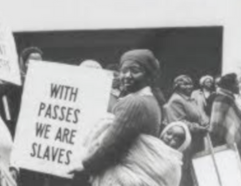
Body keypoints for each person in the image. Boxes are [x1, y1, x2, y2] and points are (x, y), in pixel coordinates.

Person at [70, 49, 165, 186]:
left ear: (148, 75)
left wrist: (86, 166)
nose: (127, 75)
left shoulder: (134, 102)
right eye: (124, 70)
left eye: (135, 70)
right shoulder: (151, 100)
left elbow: (111, 147)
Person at [165, 75, 209, 186]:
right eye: (185, 84)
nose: (189, 86)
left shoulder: (190, 99)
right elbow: (179, 123)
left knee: (196, 170)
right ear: (177, 86)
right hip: (185, 144)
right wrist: (198, 128)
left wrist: (205, 121)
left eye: (190, 84)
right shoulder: (175, 101)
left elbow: (199, 115)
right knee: (185, 173)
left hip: (196, 141)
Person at [0, 46, 44, 136]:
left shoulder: (44, 81)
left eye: (39, 62)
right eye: (31, 62)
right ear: (23, 63)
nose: (36, 65)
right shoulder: (13, 82)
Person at [210, 73, 241, 153]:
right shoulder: (222, 99)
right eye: (237, 83)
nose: (238, 86)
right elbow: (216, 125)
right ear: (230, 85)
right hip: (224, 143)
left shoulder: (230, 99)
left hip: (233, 142)